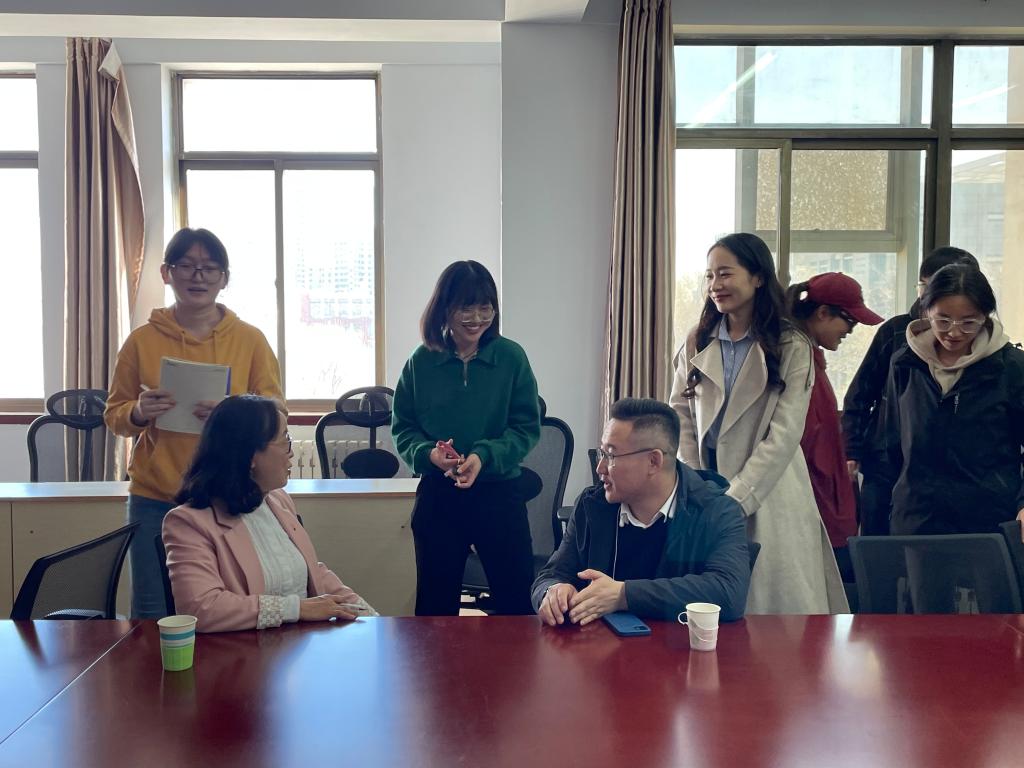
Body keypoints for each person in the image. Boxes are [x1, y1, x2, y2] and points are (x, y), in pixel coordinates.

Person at [104, 227, 284, 619]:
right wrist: (138, 411)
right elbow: (114, 415)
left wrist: (233, 411)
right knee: (153, 610)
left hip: (231, 495)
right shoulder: (141, 341)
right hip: (156, 496)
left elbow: (276, 411)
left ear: (224, 278)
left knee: (230, 605)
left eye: (209, 268)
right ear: (166, 273)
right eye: (186, 266)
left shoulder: (250, 340)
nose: (198, 277)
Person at [669, 232, 847, 614]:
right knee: (708, 612)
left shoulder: (791, 344)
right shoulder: (698, 339)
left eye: (725, 274)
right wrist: (699, 483)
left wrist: (737, 499)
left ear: (758, 277)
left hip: (772, 493)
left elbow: (784, 433)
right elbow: (680, 413)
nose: (715, 285)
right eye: (710, 276)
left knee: (775, 616)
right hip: (707, 489)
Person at [392, 260, 541, 616]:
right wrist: (429, 454)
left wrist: (483, 456)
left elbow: (525, 427)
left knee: (517, 605)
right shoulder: (421, 362)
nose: (477, 318)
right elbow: (403, 427)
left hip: (499, 495)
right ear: (444, 308)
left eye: (485, 308)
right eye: (466, 308)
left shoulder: (511, 358)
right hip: (440, 496)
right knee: (435, 609)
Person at [163, 395, 376, 633]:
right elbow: (202, 608)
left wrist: (370, 616)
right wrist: (297, 609)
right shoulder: (189, 522)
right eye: (285, 440)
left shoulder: (277, 499)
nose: (291, 453)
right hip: (246, 651)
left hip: (301, 644)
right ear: (251, 456)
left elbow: (311, 571)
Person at [532, 398, 750, 626]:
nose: (600, 468)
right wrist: (553, 592)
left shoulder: (716, 511)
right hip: (599, 645)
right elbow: (550, 576)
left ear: (653, 461)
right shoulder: (592, 506)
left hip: (680, 645)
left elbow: (729, 592)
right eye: (601, 453)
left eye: (611, 456)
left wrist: (624, 595)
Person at [842, 247, 979, 535]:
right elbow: (860, 394)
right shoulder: (897, 333)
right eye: (925, 287)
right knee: (878, 546)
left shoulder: (984, 347)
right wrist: (851, 449)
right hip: (885, 464)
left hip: (951, 475)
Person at [882, 264, 1024, 537]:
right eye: (943, 320)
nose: (954, 332)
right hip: (917, 519)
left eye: (968, 322)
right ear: (927, 312)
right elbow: (890, 442)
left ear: (985, 316)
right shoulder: (905, 363)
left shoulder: (1011, 367)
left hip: (988, 520)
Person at [787, 273, 883, 583]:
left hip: (827, 499)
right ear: (823, 312)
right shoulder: (798, 361)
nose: (850, 331)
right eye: (849, 321)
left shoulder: (809, 358)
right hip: (816, 503)